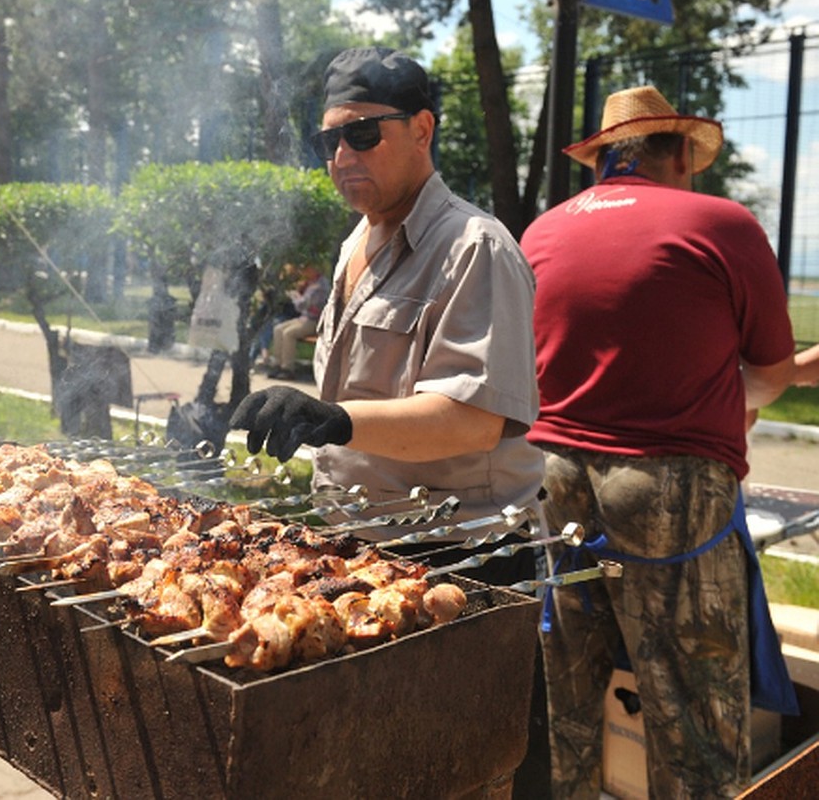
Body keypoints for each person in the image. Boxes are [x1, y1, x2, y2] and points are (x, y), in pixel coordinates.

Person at [520, 85, 798, 798]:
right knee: (697, 723)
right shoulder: (722, 223)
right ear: (677, 152)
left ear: (602, 161)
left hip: (554, 482)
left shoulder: (542, 232)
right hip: (667, 490)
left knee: (572, 709)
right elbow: (766, 380)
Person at [230, 46, 544, 553]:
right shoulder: (356, 241)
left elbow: (474, 421)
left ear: (422, 130)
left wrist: (334, 420)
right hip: (356, 537)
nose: (342, 156)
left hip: (457, 552)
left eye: (362, 134)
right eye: (328, 141)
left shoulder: (474, 246)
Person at [266, 263, 330, 380]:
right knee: (278, 329)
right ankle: (277, 365)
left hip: (315, 321)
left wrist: (294, 296)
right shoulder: (311, 282)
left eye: (305, 268)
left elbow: (303, 305)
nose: (303, 272)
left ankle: (287, 369)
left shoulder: (320, 285)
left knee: (289, 333)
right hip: (304, 318)